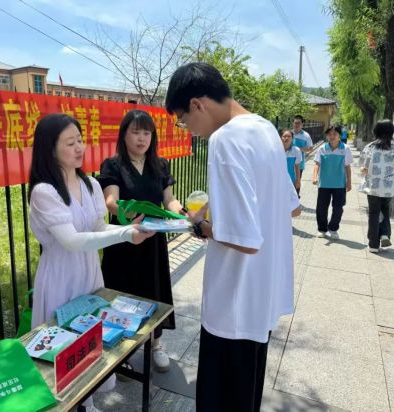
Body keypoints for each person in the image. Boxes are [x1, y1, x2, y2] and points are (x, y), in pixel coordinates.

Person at [165, 62, 301, 411]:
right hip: (262, 298)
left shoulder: (225, 139)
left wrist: (201, 225)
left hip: (234, 305)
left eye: (184, 121)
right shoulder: (265, 129)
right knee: (246, 397)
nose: (190, 131)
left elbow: (244, 240)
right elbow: (291, 207)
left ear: (197, 104)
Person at [28, 113, 154, 412]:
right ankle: (68, 404)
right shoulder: (44, 192)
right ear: (50, 149)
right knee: (62, 345)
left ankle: (88, 401)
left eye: (80, 140)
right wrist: (125, 233)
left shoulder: (90, 185)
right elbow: (72, 240)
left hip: (89, 273)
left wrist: (129, 231)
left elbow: (97, 227)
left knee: (90, 339)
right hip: (60, 277)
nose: (79, 148)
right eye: (70, 142)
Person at [97, 109, 184, 373]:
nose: (142, 138)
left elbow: (169, 199)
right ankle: (120, 351)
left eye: (147, 133)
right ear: (124, 135)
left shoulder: (160, 165)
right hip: (123, 239)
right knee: (122, 291)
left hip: (153, 241)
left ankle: (156, 344)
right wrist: (128, 212)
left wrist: (181, 212)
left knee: (153, 289)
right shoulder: (113, 165)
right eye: (135, 132)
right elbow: (110, 201)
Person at [359, 119, 394, 253]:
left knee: (374, 213)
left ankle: (373, 244)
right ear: (392, 131)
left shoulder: (370, 147)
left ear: (376, 131)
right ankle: (384, 234)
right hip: (390, 187)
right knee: (385, 210)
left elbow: (364, 167)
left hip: (374, 186)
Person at [312, 125, 353, 239]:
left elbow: (347, 166)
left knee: (338, 208)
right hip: (324, 184)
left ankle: (333, 228)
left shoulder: (345, 149)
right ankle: (322, 229)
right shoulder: (322, 148)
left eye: (335, 134)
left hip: (339, 184)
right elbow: (317, 164)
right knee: (321, 208)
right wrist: (314, 177)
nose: (332, 136)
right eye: (329, 134)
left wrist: (349, 182)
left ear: (339, 136)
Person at [292, 115, 313, 197]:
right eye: (295, 123)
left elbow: (310, 148)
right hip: (288, 163)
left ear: (302, 124)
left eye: (299, 123)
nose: (296, 125)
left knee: (297, 180)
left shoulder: (306, 135)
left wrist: (299, 149)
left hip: (299, 163)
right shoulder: (289, 133)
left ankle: (296, 197)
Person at [282, 129, 302, 195]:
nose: (286, 138)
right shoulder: (276, 150)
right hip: (278, 181)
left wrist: (298, 180)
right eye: (284, 136)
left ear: (292, 138)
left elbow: (297, 166)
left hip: (291, 181)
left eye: (289, 136)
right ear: (281, 138)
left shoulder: (296, 150)